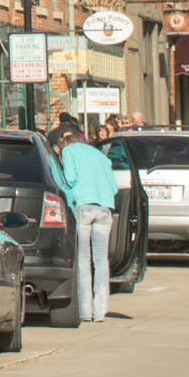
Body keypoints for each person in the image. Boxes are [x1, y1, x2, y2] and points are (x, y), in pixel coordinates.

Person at [53, 123, 118, 324]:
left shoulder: (69, 151)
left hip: (83, 207)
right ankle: (101, 310)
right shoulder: (98, 154)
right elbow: (114, 187)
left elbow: (70, 179)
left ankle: (85, 310)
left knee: (83, 260)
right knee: (101, 260)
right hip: (104, 208)